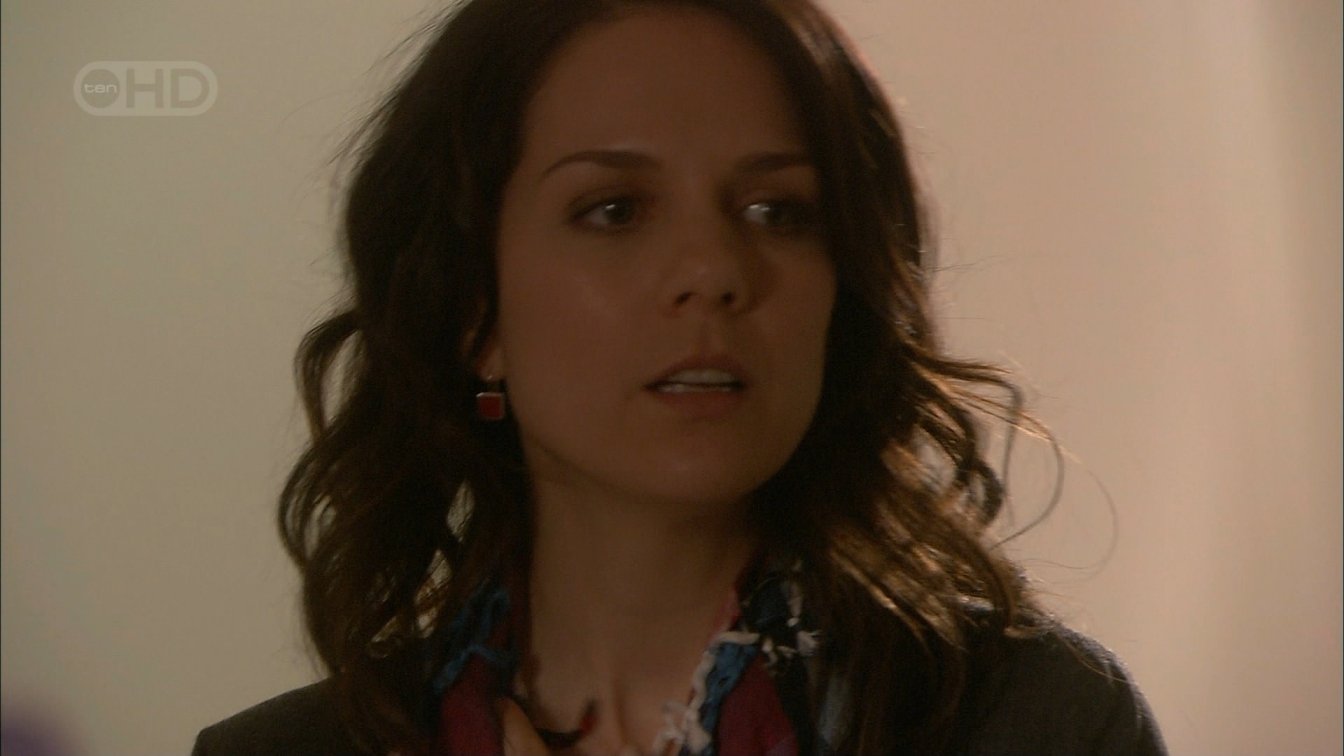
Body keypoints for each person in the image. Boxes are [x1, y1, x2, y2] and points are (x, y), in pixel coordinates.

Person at [194, 0, 1166, 754]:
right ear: (473, 313)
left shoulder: (1036, 723)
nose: (713, 270)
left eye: (778, 211)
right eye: (615, 210)